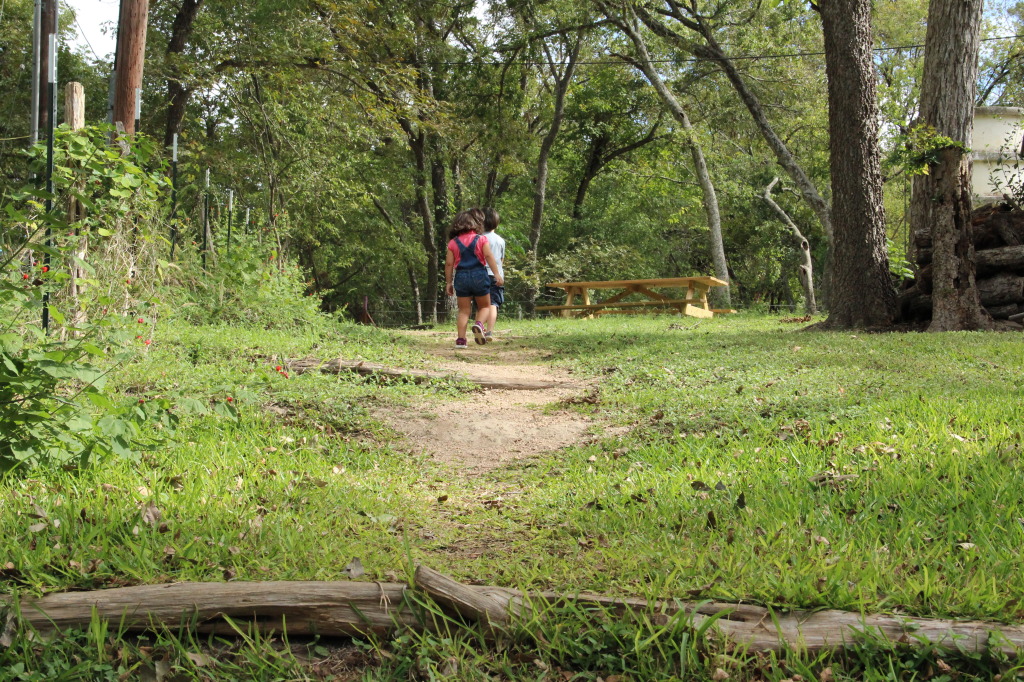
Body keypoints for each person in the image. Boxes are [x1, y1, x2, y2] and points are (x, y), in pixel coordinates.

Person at [445, 211, 504, 348]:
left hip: (461, 276)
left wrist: (449, 282)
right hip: (479, 275)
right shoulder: (481, 239)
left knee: (464, 310)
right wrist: (496, 274)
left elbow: (448, 264)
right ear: (475, 224)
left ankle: (461, 340)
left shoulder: (453, 243)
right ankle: (479, 324)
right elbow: (489, 256)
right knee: (484, 306)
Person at [481, 207, 505, 341]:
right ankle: (489, 331)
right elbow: (501, 260)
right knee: (493, 303)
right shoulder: (500, 240)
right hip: (495, 275)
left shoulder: (478, 238)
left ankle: (479, 326)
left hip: (480, 274)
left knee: (482, 304)